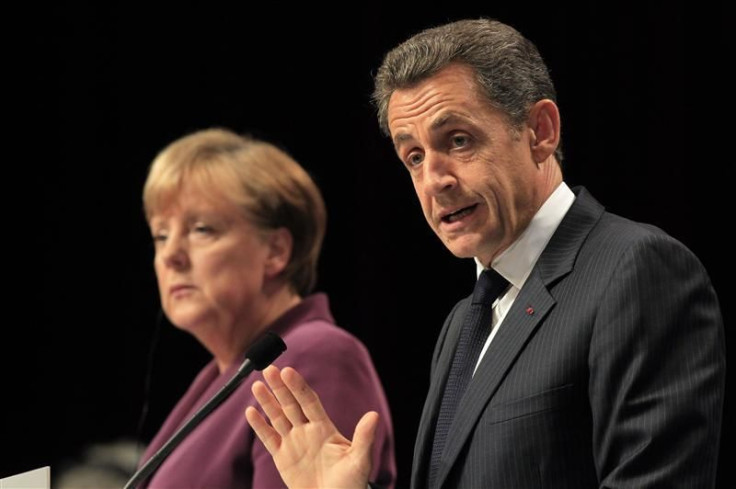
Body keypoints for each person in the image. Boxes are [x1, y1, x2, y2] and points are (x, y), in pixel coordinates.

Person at [244, 18, 726, 489]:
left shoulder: (636, 270)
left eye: (458, 140)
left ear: (540, 131)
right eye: (414, 157)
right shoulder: (462, 324)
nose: (435, 179)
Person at [137, 128, 397, 488]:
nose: (170, 255)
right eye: (161, 235)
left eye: (201, 229)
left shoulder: (313, 357)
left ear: (275, 251)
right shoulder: (221, 375)